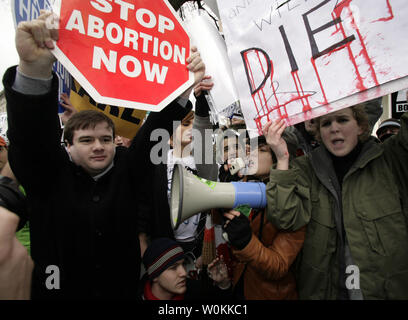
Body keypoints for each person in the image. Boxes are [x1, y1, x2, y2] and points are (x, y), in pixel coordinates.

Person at [3, 12, 205, 299]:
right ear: (68, 146)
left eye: (105, 139)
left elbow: (152, 135)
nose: (98, 146)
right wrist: (32, 71)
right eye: (86, 140)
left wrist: (180, 86)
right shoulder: (49, 174)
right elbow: (32, 140)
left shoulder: (127, 170)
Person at [264, 105, 408, 299]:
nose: (334, 128)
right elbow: (285, 218)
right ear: (318, 132)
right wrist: (282, 158)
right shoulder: (305, 169)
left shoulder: (389, 160)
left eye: (342, 120)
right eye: (326, 123)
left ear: (361, 126)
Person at [222, 134, 305, 300]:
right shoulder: (249, 184)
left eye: (261, 149)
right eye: (251, 147)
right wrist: (224, 188)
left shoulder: (293, 200)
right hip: (242, 285)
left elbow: (278, 265)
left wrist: (247, 242)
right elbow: (219, 222)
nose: (251, 153)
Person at [140, 238, 231, 300]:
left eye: (183, 264)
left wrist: (223, 284)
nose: (184, 272)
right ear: (155, 275)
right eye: (173, 268)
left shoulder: (195, 290)